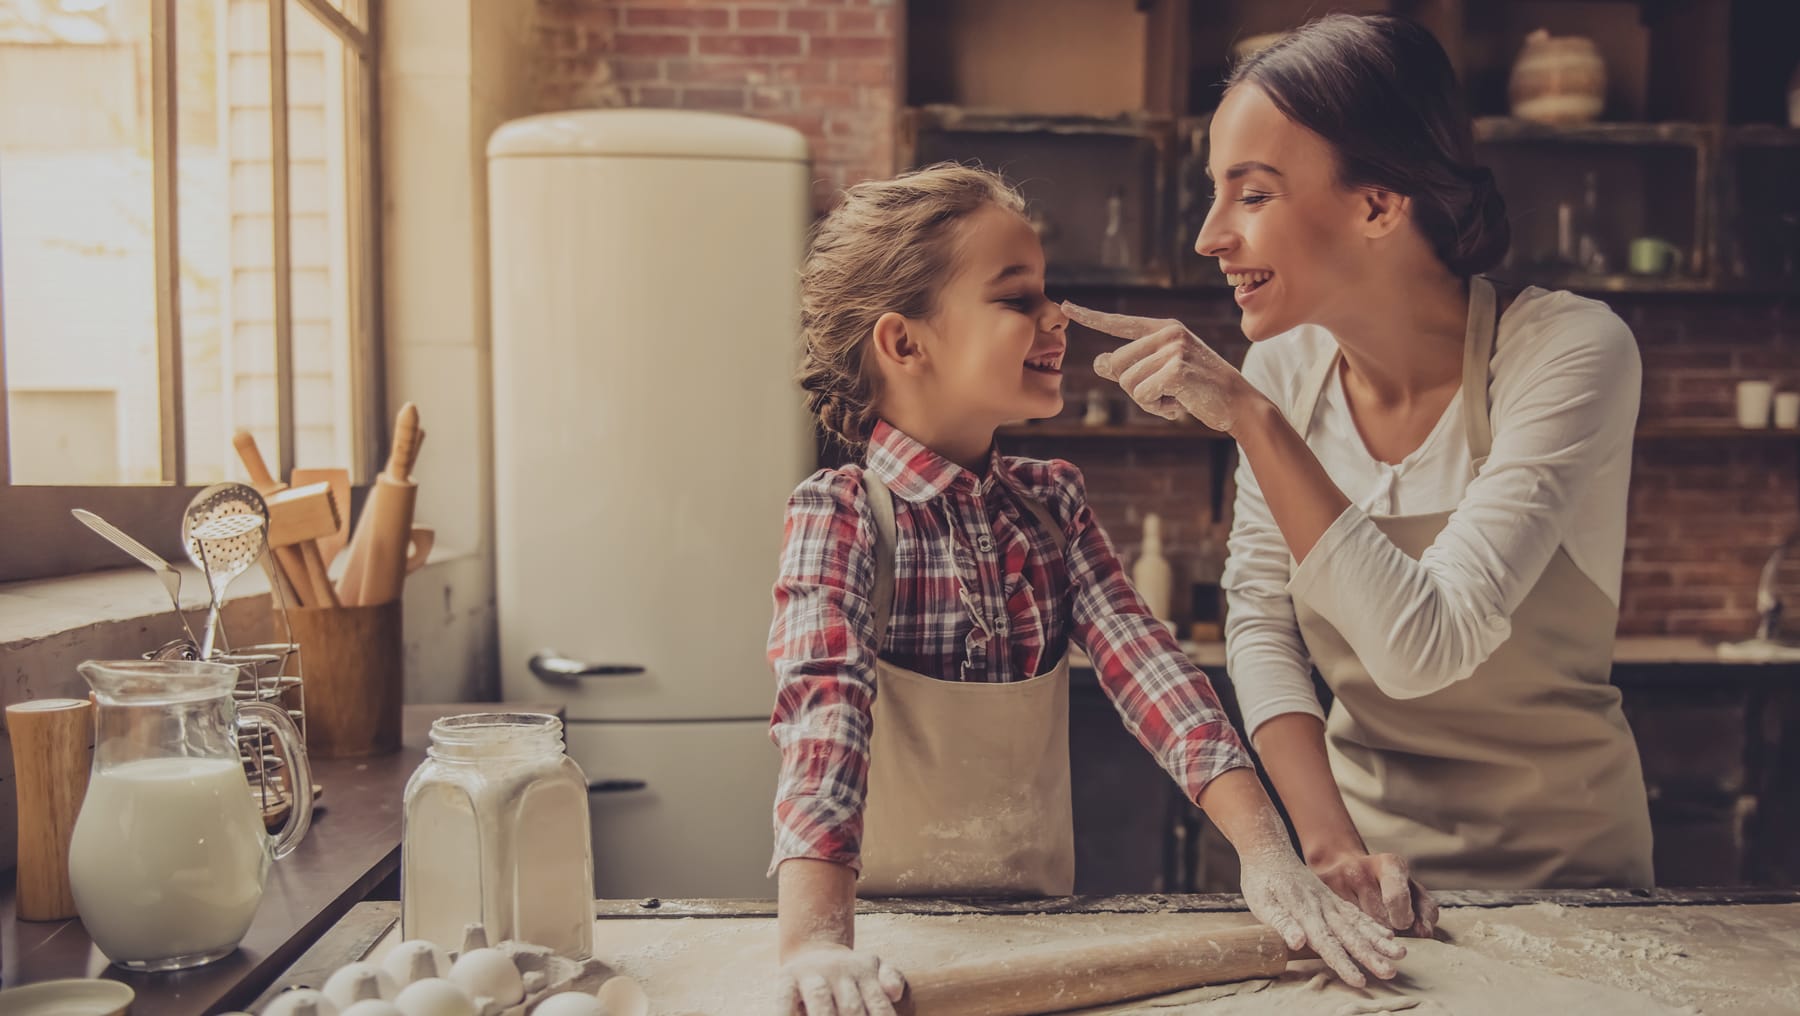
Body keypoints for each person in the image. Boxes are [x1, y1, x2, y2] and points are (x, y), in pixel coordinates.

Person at [767, 164, 1404, 1016]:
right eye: (1016, 298)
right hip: (883, 951)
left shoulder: (1052, 504)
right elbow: (825, 722)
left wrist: (1268, 854)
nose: (1056, 317)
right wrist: (815, 941)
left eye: (1048, 292)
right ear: (904, 343)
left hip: (1038, 934)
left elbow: (1153, 673)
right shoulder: (841, 515)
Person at [1069, 12, 1654, 938]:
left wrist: (1253, 420)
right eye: (1215, 195)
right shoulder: (1284, 371)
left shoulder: (1566, 351)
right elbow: (1261, 620)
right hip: (1369, 876)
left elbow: (1428, 644)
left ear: (1378, 206)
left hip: (1572, 886)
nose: (1211, 236)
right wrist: (1331, 846)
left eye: (1252, 195)